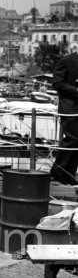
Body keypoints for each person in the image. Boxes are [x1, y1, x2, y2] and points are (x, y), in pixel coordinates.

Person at [50, 45, 78, 185]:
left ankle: (69, 174)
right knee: (72, 139)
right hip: (70, 107)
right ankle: (58, 171)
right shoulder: (66, 61)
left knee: (76, 141)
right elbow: (57, 82)